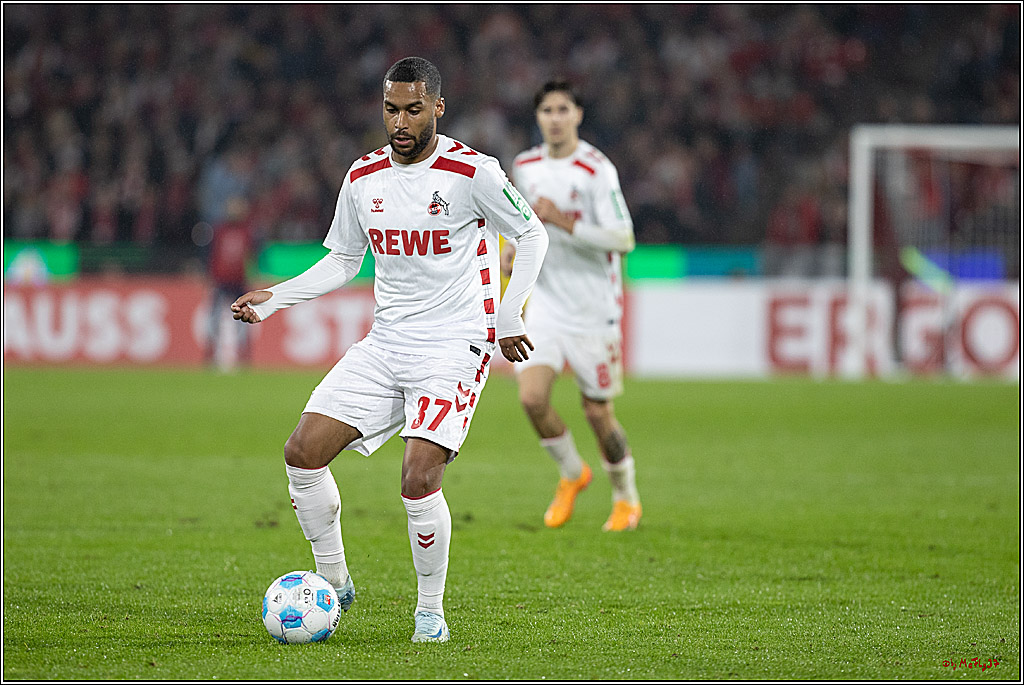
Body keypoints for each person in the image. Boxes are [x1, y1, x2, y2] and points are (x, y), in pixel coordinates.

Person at [232, 57, 548, 643]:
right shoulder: (363, 177)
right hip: (387, 343)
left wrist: (509, 311)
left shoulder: (473, 172)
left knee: (418, 476)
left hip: (455, 344)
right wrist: (275, 298)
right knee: (302, 452)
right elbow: (345, 262)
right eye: (390, 109)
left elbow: (531, 233)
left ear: (437, 108)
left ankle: (430, 612)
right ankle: (334, 580)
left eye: (412, 109)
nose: (399, 121)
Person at [501, 81, 641, 532]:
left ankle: (625, 496)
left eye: (563, 109)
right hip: (544, 305)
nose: (555, 118)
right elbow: (520, 227)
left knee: (598, 412)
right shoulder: (524, 166)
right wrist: (511, 252)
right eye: (546, 110)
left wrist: (563, 220)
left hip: (594, 310)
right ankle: (571, 473)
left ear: (578, 114)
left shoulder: (596, 169)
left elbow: (624, 238)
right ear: (538, 117)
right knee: (531, 397)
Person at [205, 194, 256, 369]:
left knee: (244, 321)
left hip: (239, 282)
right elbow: (213, 255)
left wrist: (251, 275)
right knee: (214, 320)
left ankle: (244, 357)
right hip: (221, 281)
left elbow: (250, 256)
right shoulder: (220, 231)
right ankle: (210, 355)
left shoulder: (247, 231)